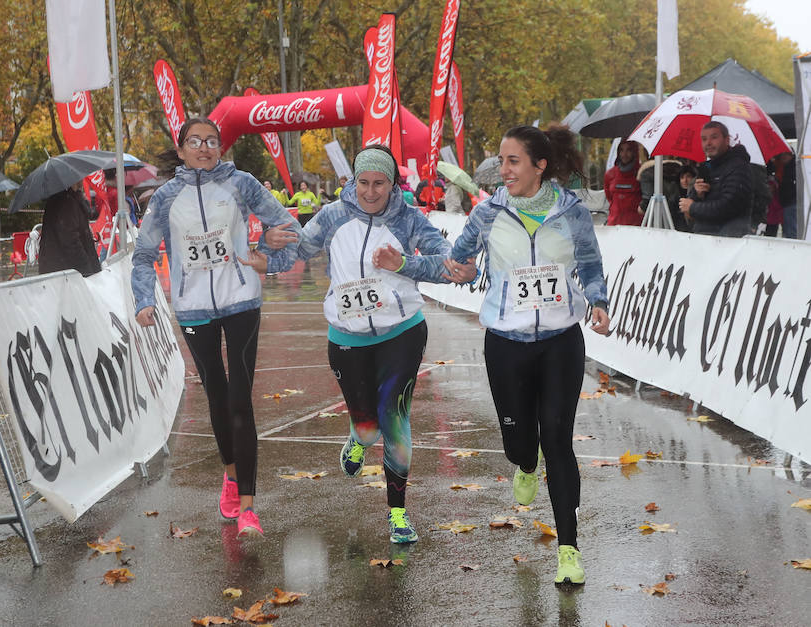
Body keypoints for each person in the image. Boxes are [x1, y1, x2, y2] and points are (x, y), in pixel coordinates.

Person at [263, 145, 474, 544]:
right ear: (353, 181)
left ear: (393, 185)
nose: (371, 192)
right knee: (367, 427)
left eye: (380, 184)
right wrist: (262, 250)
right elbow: (296, 253)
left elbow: (444, 264)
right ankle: (358, 438)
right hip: (347, 337)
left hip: (402, 333)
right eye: (364, 183)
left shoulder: (410, 219)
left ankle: (398, 514)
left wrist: (405, 265)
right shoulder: (332, 216)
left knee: (395, 420)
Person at [449, 125, 610, 586]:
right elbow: (461, 259)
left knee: (558, 439)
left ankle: (568, 550)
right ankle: (524, 462)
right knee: (521, 444)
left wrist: (598, 303)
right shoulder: (487, 213)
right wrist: (458, 269)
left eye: (513, 161)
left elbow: (592, 266)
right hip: (506, 344)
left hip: (561, 341)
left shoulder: (572, 212)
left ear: (540, 165)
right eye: (501, 162)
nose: (504, 170)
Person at [131, 118, 300, 538]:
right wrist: (144, 300)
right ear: (182, 148)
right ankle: (229, 474)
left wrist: (265, 255)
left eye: (211, 141)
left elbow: (288, 229)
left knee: (241, 400)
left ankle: (248, 505)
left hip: (241, 300)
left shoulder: (241, 184)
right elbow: (142, 254)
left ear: (220, 147)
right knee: (218, 398)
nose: (204, 148)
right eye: (195, 141)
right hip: (193, 309)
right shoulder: (166, 197)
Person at [678, 121, 753, 237]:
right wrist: (698, 195)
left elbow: (729, 206)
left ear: (727, 140)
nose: (708, 143)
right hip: (706, 239)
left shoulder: (738, 167)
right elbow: (689, 210)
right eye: (704, 139)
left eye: (714, 137)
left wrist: (693, 207)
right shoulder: (707, 168)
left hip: (729, 242)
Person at [38, 184, 102, 277]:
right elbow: (70, 241)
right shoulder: (66, 202)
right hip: (65, 273)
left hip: (62, 270)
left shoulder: (71, 199)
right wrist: (87, 269)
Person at [604, 140, 643, 226]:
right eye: (621, 150)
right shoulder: (610, 174)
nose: (624, 154)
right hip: (614, 224)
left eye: (628, 150)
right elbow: (609, 197)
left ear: (634, 152)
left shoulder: (642, 172)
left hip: (636, 226)